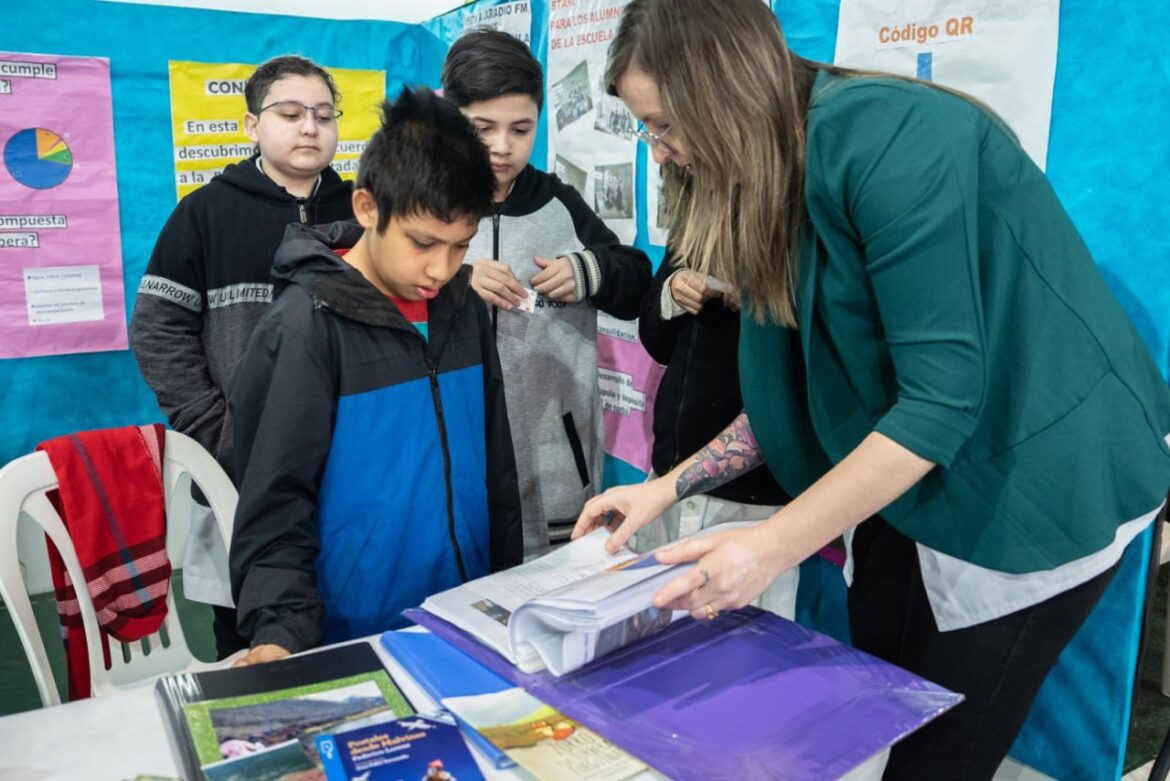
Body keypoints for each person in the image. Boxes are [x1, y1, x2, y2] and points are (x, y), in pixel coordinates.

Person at [572, 0, 1170, 777]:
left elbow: (939, 400)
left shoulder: (892, 139)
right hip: (913, 480)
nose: (664, 150)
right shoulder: (764, 179)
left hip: (1036, 477)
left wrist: (767, 548)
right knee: (878, 699)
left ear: (725, 92)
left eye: (665, 124)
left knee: (938, 751)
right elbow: (790, 386)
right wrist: (666, 487)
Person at [227, 87, 523, 667]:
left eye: (460, 246)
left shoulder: (461, 309)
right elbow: (274, 504)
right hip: (353, 635)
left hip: (465, 621)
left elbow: (497, 467)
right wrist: (279, 632)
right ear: (367, 208)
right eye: (422, 243)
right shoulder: (305, 326)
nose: (441, 268)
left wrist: (505, 590)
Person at [129, 55, 353, 658]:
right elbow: (157, 329)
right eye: (290, 113)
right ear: (252, 125)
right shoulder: (205, 213)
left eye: (324, 115)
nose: (310, 127)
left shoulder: (365, 212)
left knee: (347, 618)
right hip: (237, 471)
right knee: (252, 637)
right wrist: (215, 431)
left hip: (347, 461)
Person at [440, 30, 652, 557]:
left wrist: (591, 270)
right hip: (453, 448)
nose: (501, 147)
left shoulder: (557, 201)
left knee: (546, 588)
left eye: (521, 128)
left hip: (554, 458)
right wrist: (456, 279)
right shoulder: (424, 203)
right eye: (482, 128)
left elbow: (636, 278)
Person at [635, 246, 796, 618]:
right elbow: (655, 339)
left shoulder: (792, 234)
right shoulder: (697, 223)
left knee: (742, 654)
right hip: (669, 483)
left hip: (750, 503)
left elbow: (787, 396)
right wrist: (672, 293)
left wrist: (756, 297)